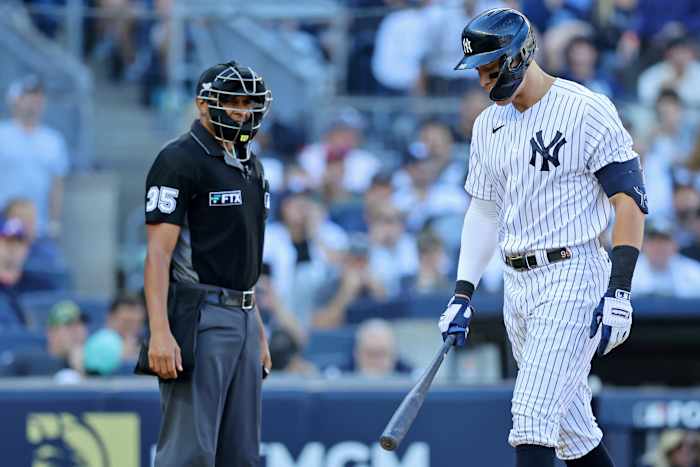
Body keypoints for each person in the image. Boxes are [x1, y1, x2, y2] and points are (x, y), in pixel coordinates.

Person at [443, 8, 647, 467]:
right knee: (575, 435)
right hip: (517, 283)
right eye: (478, 70)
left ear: (519, 57)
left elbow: (629, 201)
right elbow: (483, 210)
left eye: (490, 68)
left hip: (573, 274)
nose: (482, 80)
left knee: (531, 417)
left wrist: (620, 290)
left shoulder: (585, 108)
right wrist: (461, 292)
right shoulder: (486, 126)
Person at [142, 60, 273, 467]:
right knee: (190, 453)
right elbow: (158, 254)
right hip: (200, 314)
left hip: (244, 315)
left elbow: (244, 257)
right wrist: (159, 332)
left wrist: (259, 327)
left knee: (242, 455)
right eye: (231, 101)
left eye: (248, 103)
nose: (241, 111)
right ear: (203, 105)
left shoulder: (252, 164)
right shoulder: (179, 159)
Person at [0, 75, 69, 239]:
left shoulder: (54, 140)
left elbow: (57, 184)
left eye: (38, 97)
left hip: (38, 227)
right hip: (3, 223)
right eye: (28, 96)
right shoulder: (2, 134)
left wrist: (55, 221)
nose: (34, 101)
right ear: (14, 100)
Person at [0, 300, 87, 377]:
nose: (78, 331)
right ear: (51, 332)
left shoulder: (94, 364)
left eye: (81, 324)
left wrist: (80, 370)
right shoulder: (27, 362)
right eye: (70, 325)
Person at [105, 294, 146, 363]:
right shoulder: (103, 341)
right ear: (110, 318)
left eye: (138, 322)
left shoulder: (143, 345)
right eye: (127, 322)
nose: (132, 328)